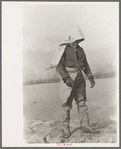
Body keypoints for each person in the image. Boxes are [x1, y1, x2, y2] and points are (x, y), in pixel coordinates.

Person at [55, 26, 96, 138]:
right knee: (66, 104)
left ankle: (85, 127)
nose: (78, 42)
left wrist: (90, 77)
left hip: (79, 78)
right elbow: (58, 66)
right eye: (77, 39)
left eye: (80, 40)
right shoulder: (63, 50)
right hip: (68, 77)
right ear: (72, 38)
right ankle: (66, 129)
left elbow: (85, 65)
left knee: (82, 103)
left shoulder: (81, 50)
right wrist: (66, 78)